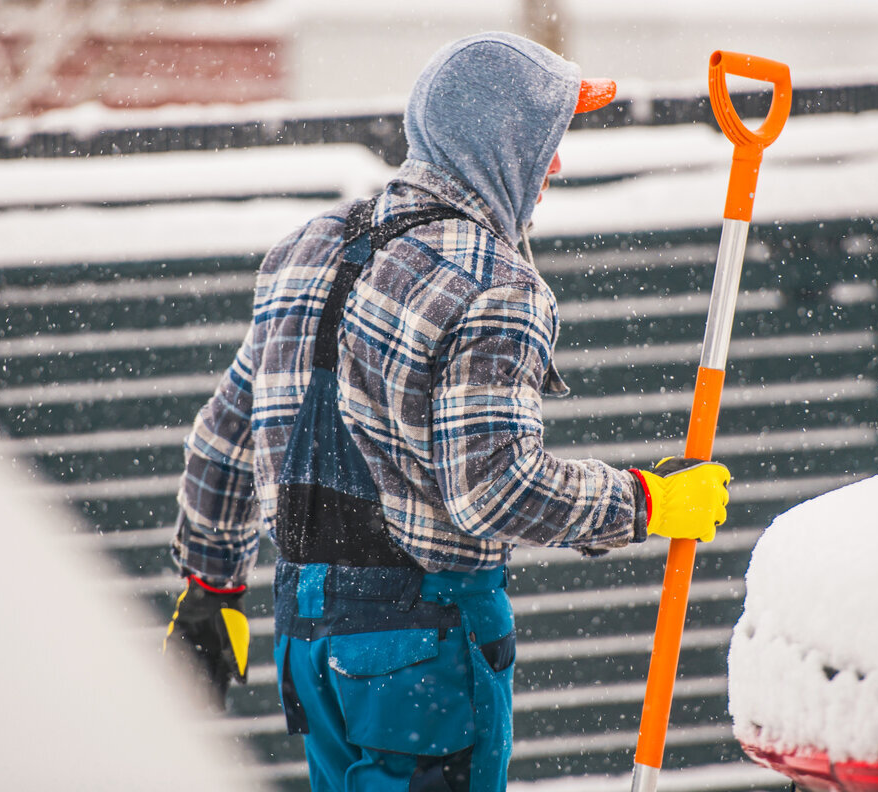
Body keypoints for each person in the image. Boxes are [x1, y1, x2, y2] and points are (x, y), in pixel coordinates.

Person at [163, 31, 731, 792]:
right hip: (424, 651)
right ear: (503, 142)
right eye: (547, 140)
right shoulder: (497, 283)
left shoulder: (306, 248)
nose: (555, 164)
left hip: (308, 641)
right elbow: (496, 489)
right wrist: (647, 501)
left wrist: (211, 588)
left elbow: (228, 433)